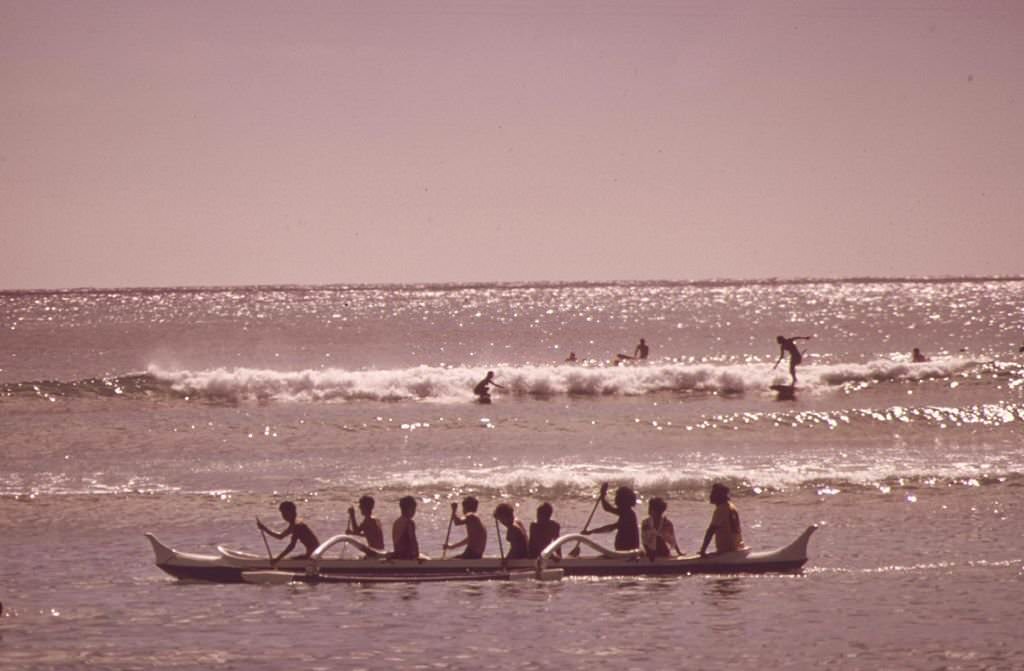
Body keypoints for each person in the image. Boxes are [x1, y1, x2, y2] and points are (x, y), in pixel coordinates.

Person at [256, 501, 321, 565]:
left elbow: (291, 546)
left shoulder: (297, 525)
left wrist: (277, 559)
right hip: (313, 554)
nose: (284, 516)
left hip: (313, 555)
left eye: (285, 514)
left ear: (292, 513)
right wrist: (264, 529)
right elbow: (280, 536)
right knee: (291, 559)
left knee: (290, 560)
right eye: (282, 514)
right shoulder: (293, 524)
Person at [582, 483, 640, 551]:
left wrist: (591, 532)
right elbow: (608, 508)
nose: (615, 499)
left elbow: (611, 528)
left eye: (618, 496)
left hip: (628, 552)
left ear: (623, 500)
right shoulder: (625, 512)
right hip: (622, 552)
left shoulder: (629, 515)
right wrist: (603, 496)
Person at [698, 483, 747, 556]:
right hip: (738, 546)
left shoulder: (721, 509)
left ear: (720, 496)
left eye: (713, 493)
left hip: (727, 550)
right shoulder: (731, 506)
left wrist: (702, 551)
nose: (710, 496)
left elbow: (711, 531)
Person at [390, 495, 420, 560]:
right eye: (413, 509)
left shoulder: (397, 522)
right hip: (406, 556)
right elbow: (413, 541)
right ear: (408, 509)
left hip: (398, 554)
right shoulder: (409, 523)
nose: (414, 511)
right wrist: (416, 556)